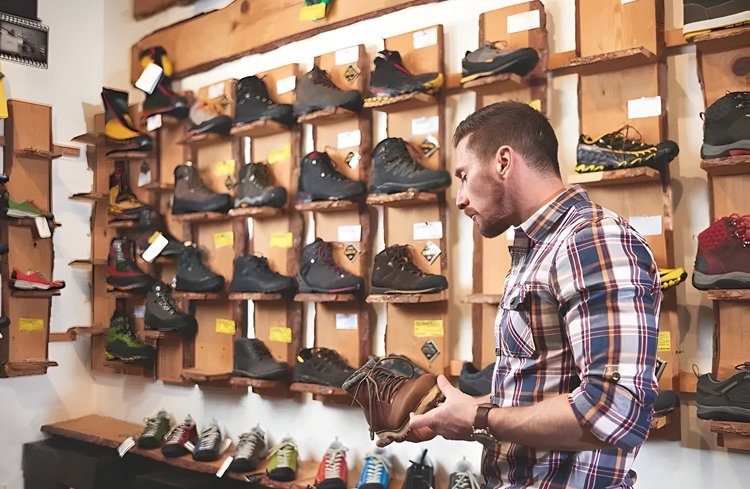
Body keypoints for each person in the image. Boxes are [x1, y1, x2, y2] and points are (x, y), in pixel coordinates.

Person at [381, 101, 661, 489]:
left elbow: (614, 412)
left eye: (464, 175)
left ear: (503, 162)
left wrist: (479, 419)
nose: (460, 198)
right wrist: (456, 414)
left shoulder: (590, 240)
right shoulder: (540, 248)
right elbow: (542, 391)